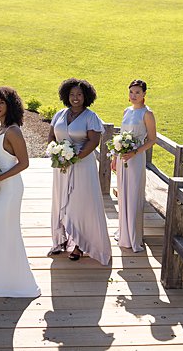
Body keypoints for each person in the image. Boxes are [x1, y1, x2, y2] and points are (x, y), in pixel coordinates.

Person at [0, 87, 40, 298]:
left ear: (10, 105)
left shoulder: (13, 131)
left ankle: (14, 281)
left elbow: (24, 163)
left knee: (7, 231)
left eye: (1, 103)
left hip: (10, 188)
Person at [48, 77, 112, 265]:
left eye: (79, 95)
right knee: (61, 201)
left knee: (79, 204)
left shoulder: (90, 117)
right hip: (61, 167)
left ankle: (80, 244)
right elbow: (51, 136)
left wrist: (75, 158)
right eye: (72, 94)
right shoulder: (60, 114)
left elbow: (93, 141)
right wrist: (56, 153)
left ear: (86, 97)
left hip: (82, 166)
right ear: (66, 95)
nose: (75, 98)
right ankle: (61, 239)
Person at [112, 79, 157, 253]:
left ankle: (134, 236)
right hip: (123, 158)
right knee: (122, 194)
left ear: (144, 94)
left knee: (134, 195)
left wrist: (135, 152)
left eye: (138, 92)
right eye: (131, 92)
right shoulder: (126, 111)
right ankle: (124, 231)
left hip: (136, 159)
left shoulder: (147, 114)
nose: (134, 95)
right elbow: (122, 135)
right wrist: (115, 157)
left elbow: (153, 139)